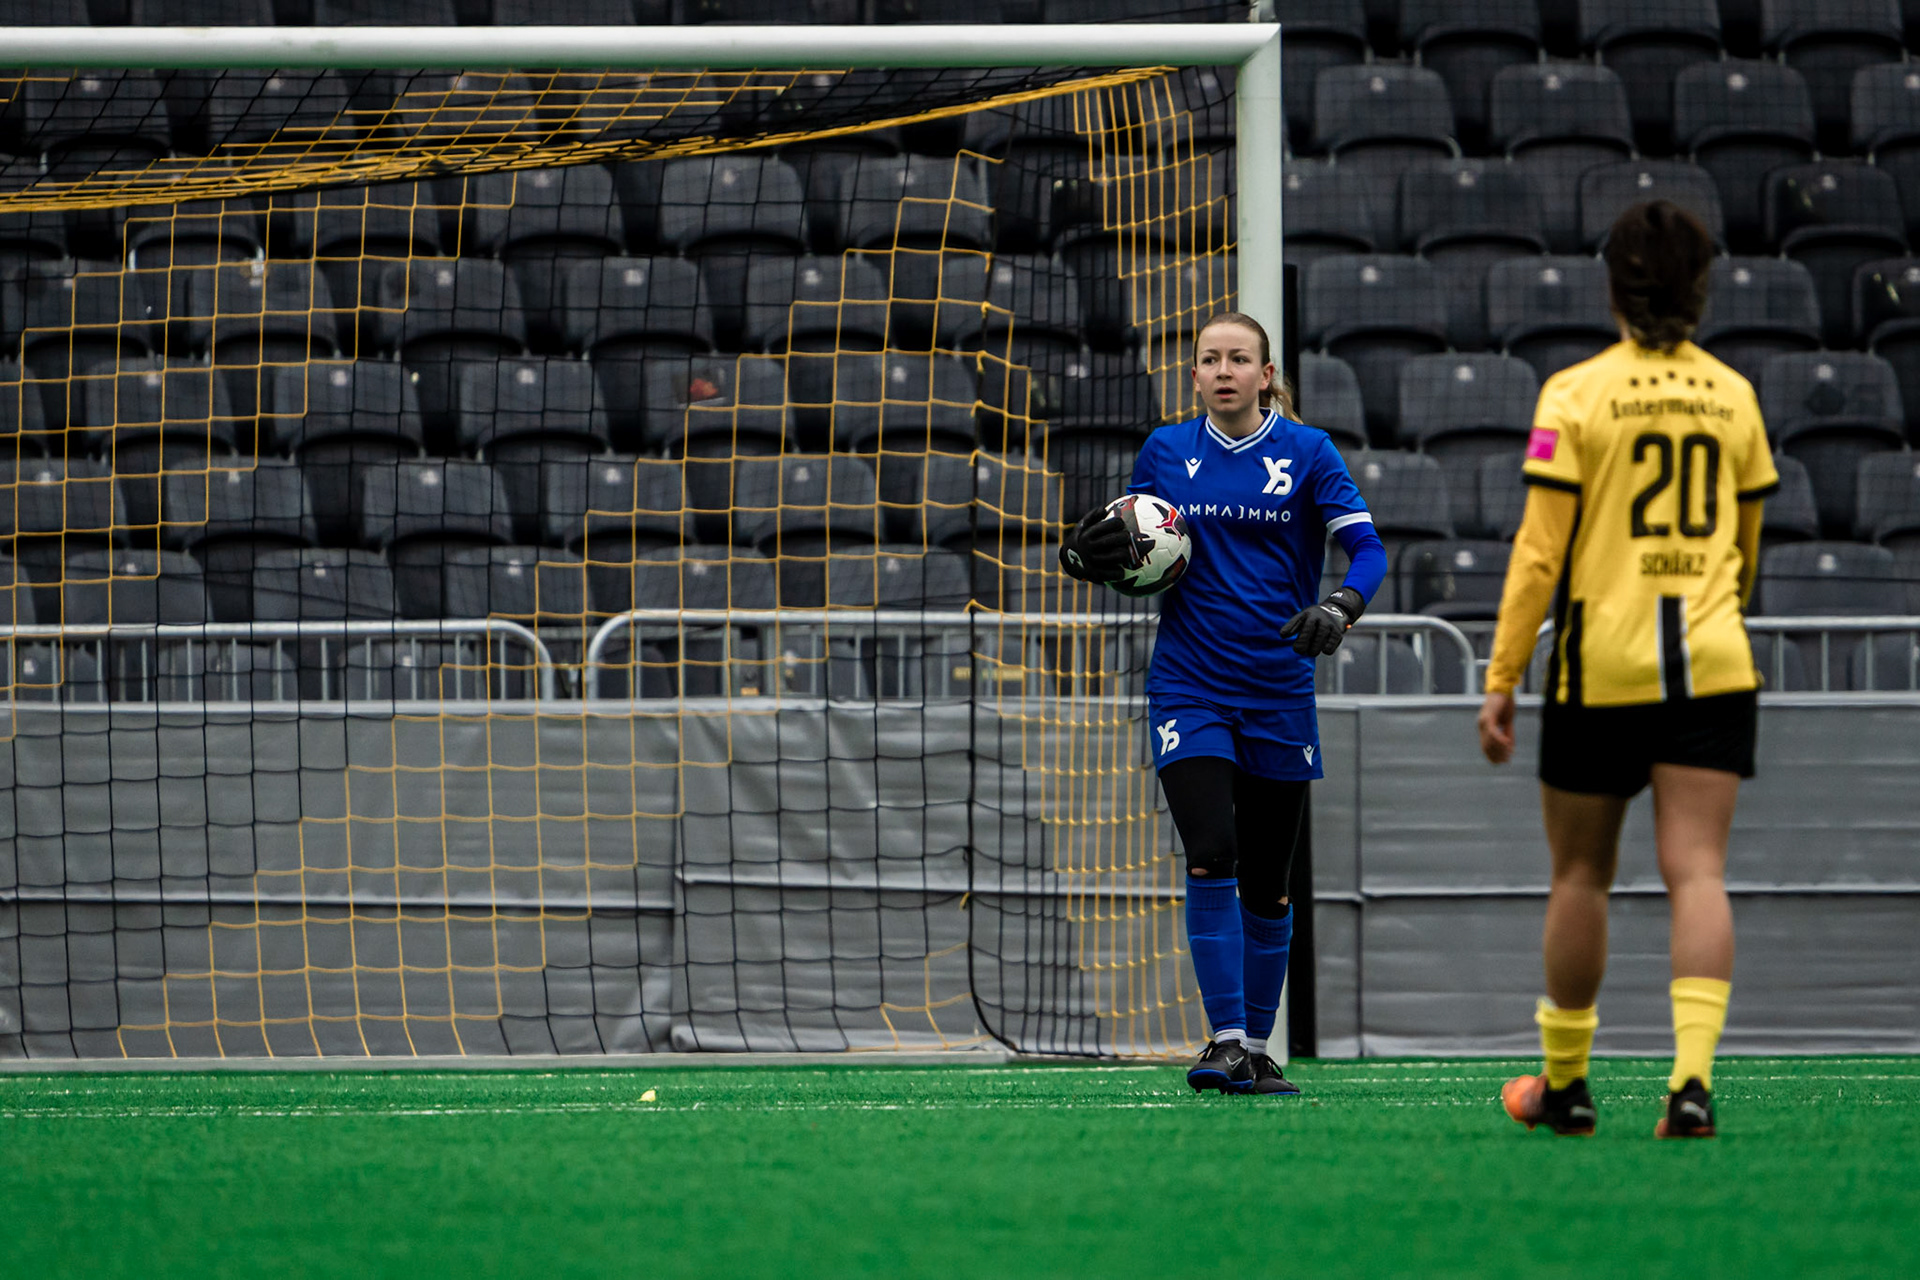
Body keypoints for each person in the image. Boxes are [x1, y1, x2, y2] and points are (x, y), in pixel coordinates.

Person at [1477, 200, 1777, 1139]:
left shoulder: (1573, 394)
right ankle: (1690, 1086)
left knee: (1579, 876)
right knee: (1699, 874)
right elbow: (1748, 550)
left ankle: (1567, 1087)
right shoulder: (1735, 396)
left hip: (1599, 667)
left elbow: (1539, 554)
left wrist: (1501, 674)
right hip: (1713, 663)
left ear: (1614, 286)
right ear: (1701, 287)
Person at [1058, 312, 1388, 1096]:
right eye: (1210, 359)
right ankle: (1226, 1040)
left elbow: (1367, 550)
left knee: (1269, 883)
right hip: (1190, 683)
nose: (1224, 370)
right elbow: (1129, 544)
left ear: (1266, 375)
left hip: (1278, 688)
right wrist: (1082, 556)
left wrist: (1340, 606)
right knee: (1211, 851)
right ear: (1196, 375)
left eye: (1240, 359)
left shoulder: (1309, 452)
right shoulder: (1165, 451)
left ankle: (1258, 1048)